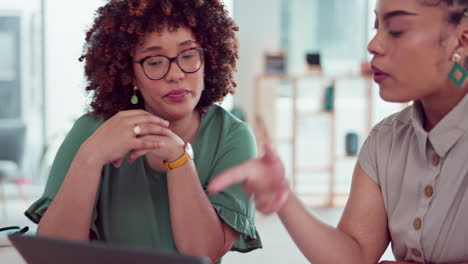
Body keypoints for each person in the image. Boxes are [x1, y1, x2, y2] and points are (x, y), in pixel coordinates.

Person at [208, 0, 468, 263]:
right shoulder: (386, 140)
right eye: (376, 27)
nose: (373, 44)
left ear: (461, 40)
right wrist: (283, 198)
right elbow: (354, 253)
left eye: (397, 29)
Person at [25, 1, 262, 263]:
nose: (175, 74)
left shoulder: (232, 137)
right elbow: (54, 255)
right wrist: (89, 158)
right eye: (155, 61)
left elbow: (203, 253)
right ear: (131, 74)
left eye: (188, 55)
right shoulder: (92, 131)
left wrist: (179, 158)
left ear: (209, 60)